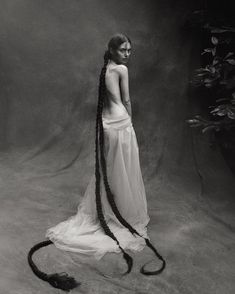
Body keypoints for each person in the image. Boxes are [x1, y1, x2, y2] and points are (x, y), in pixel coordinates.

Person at [27, 33, 166, 292]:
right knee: (122, 172)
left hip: (107, 126)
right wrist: (131, 123)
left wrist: (107, 126)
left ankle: (112, 209)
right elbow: (125, 100)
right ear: (112, 50)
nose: (127, 54)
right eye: (123, 50)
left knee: (113, 172)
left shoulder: (106, 69)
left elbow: (104, 104)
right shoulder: (121, 69)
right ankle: (120, 212)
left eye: (129, 50)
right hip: (121, 125)